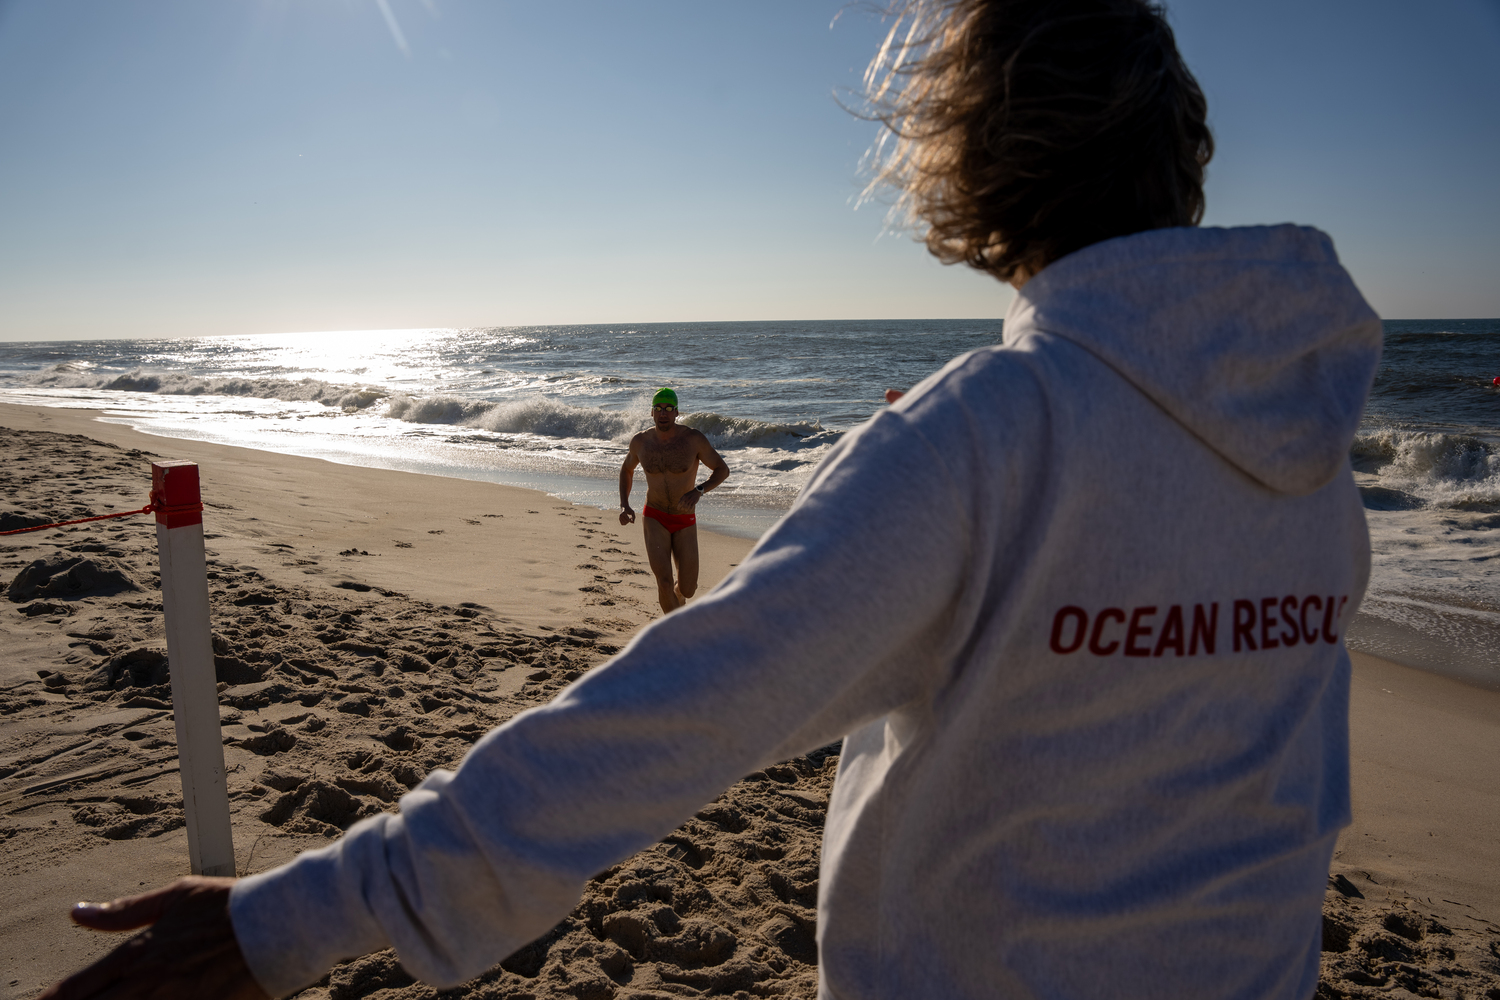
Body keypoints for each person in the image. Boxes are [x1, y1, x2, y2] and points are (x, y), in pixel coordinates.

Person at [43, 2, 1383, 998]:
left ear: (978, 157)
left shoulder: (988, 437)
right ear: (1180, 152)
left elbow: (675, 714)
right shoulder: (1310, 441)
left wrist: (296, 916)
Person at [617, 387, 731, 615]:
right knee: (664, 583)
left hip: (684, 518)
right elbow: (626, 470)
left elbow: (722, 469)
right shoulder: (641, 442)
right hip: (655, 516)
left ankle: (678, 598)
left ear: (677, 412)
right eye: (658, 408)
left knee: (688, 589)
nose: (663, 413)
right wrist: (624, 504)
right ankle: (673, 631)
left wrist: (699, 490)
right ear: (651, 412)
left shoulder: (692, 439)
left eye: (669, 408)